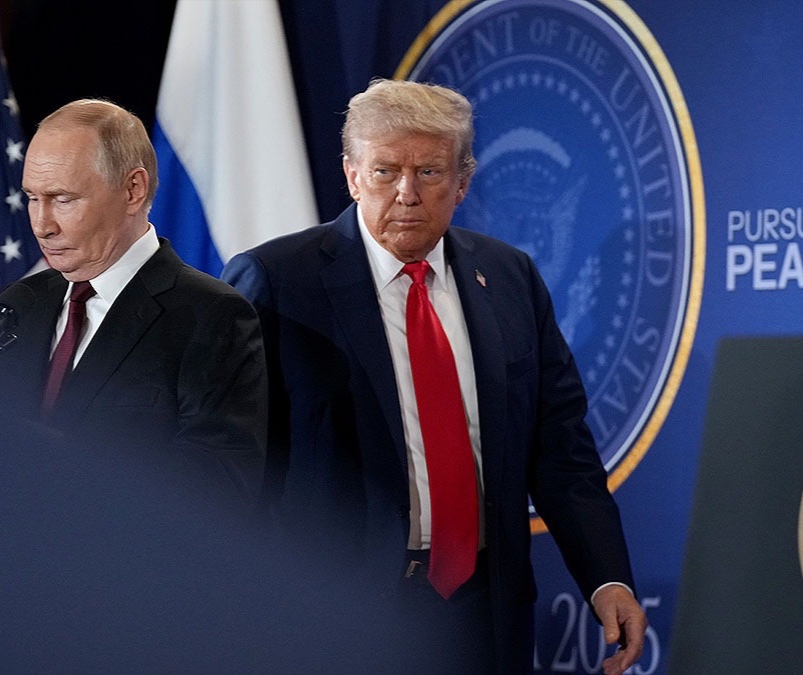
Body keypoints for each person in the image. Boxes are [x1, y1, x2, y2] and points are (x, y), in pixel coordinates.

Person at [222, 78, 647, 673]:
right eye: (384, 171)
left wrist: (607, 580)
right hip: (331, 619)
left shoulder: (510, 278)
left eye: (428, 173)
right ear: (350, 175)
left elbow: (562, 450)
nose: (406, 193)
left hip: (482, 616)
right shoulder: (278, 281)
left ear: (463, 181)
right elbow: (236, 467)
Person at [0, 99, 267, 504]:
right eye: (32, 198)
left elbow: (222, 485)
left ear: (133, 190)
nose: (42, 225)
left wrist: (57, 457)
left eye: (62, 199)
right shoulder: (21, 305)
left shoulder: (210, 316)